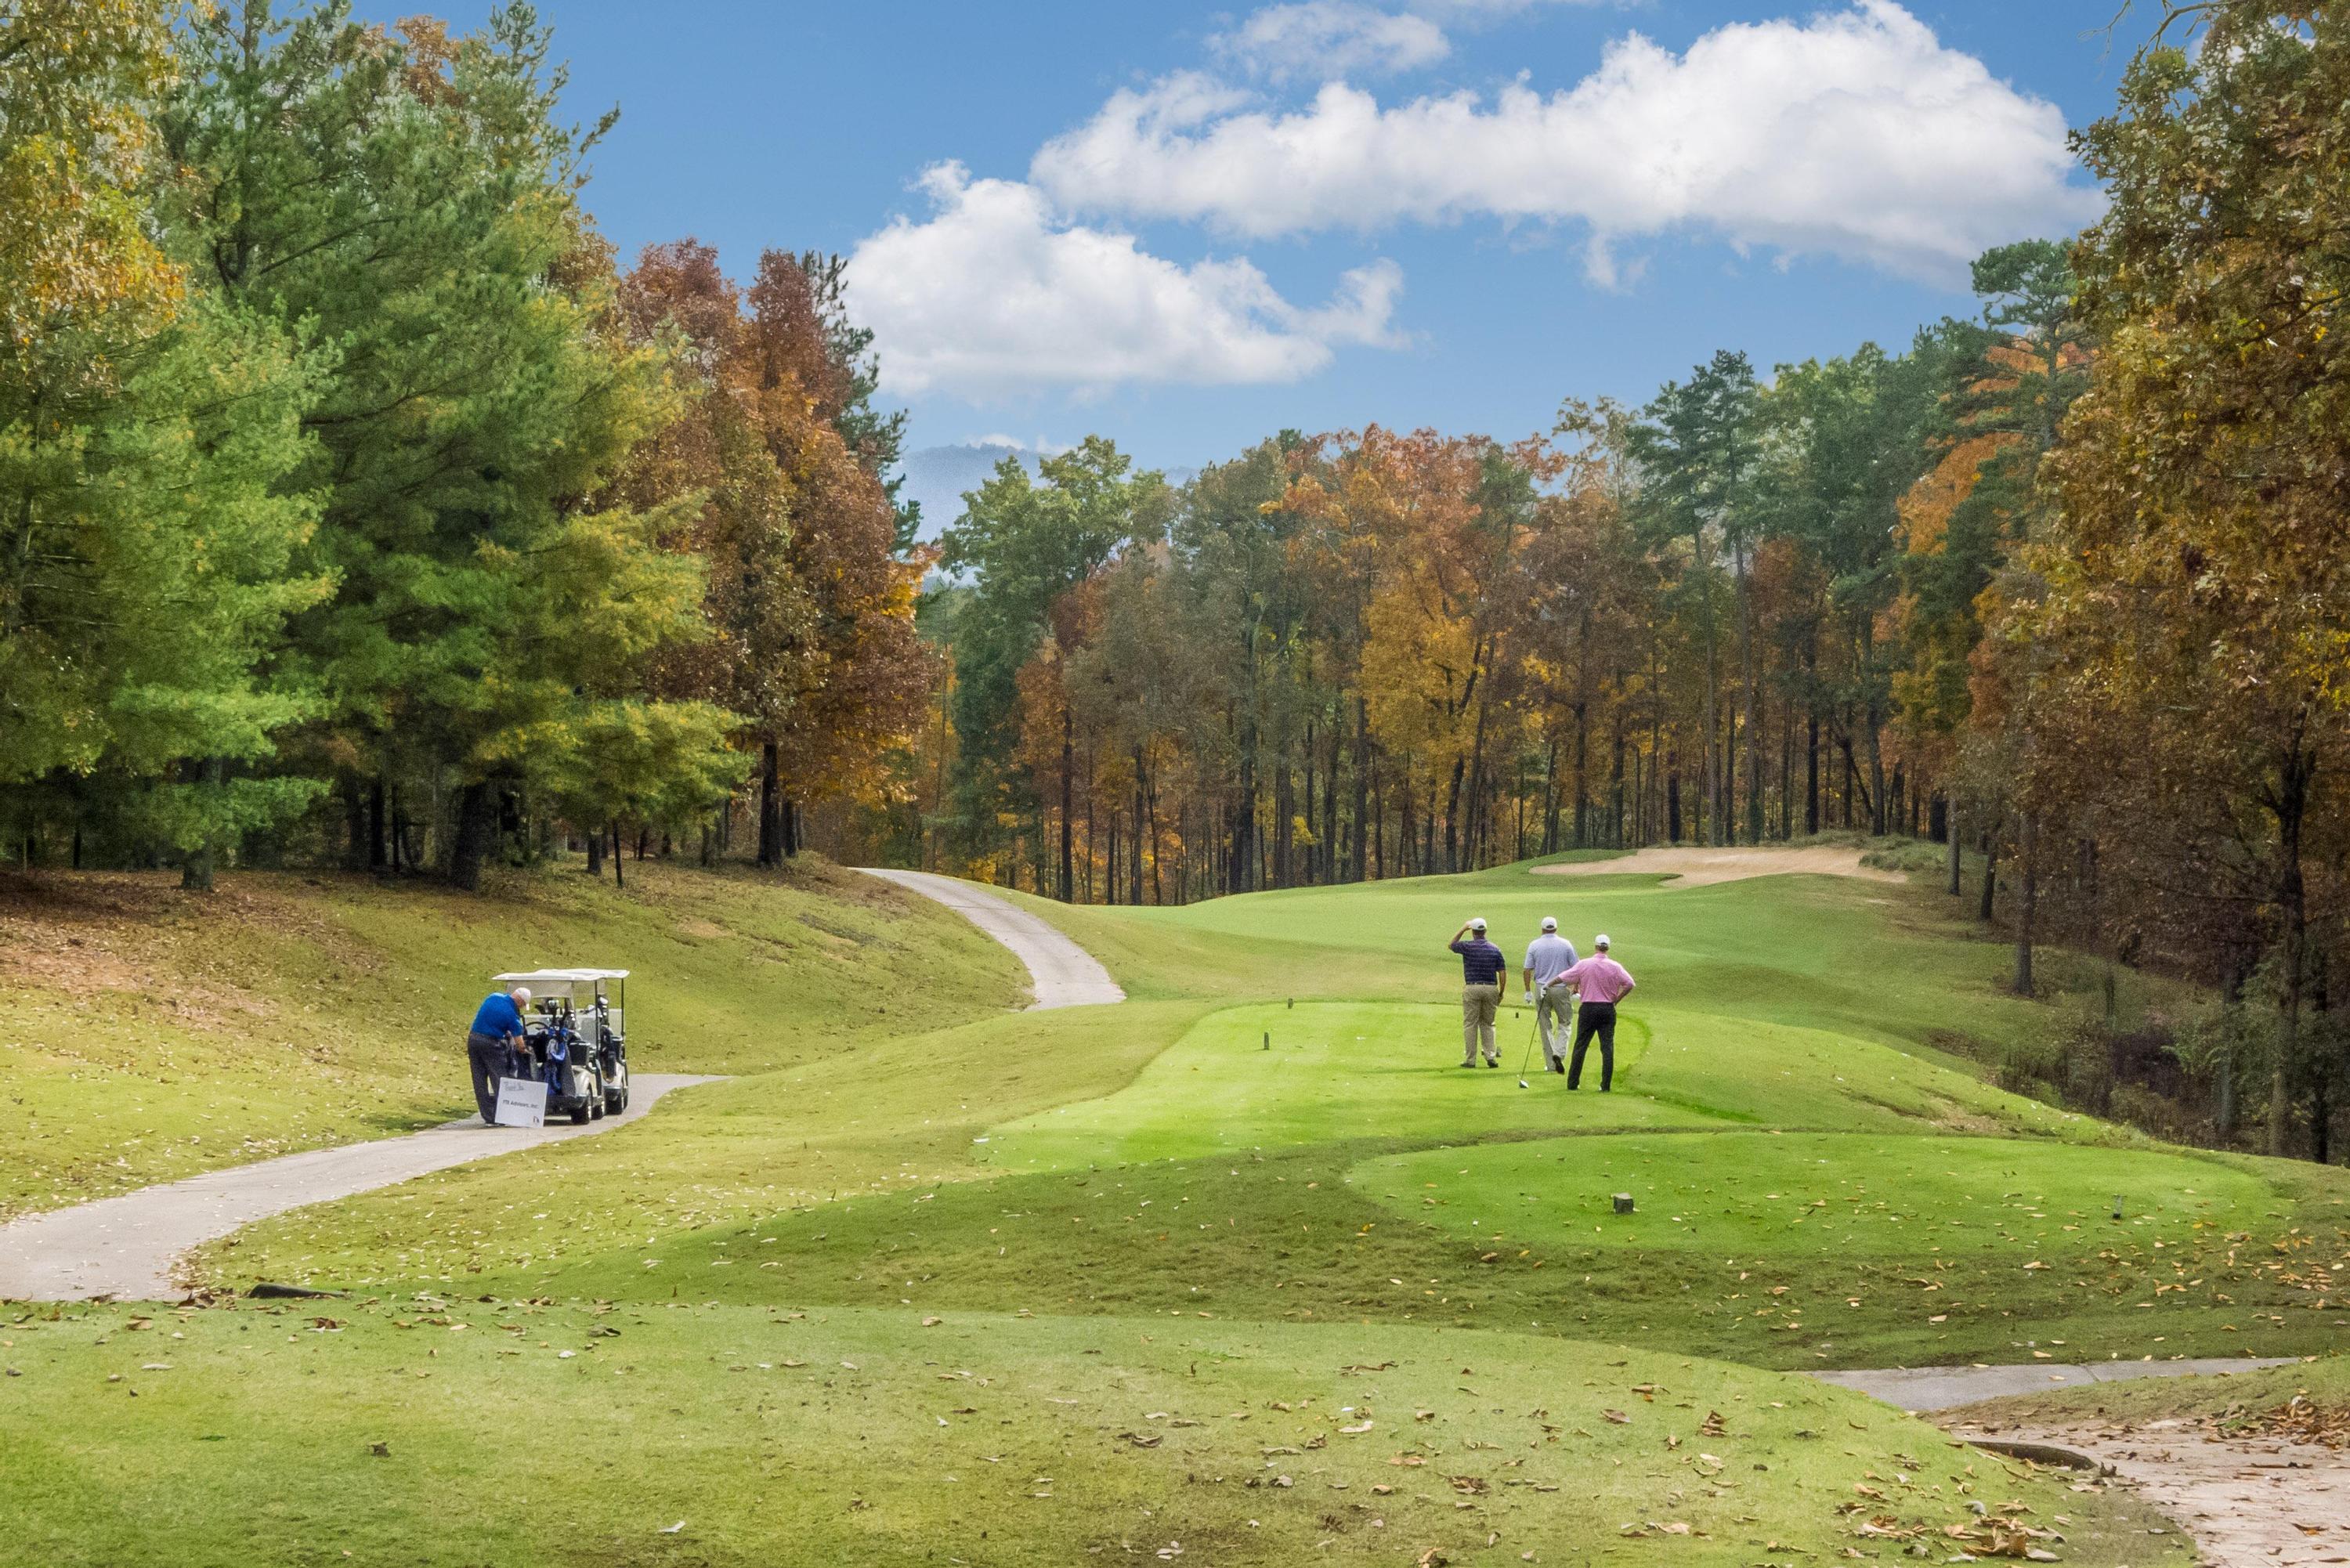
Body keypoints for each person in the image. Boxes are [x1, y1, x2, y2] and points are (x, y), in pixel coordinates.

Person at [1559, 935, 1635, 1092]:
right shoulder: (1615, 966)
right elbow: (1629, 984)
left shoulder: (1585, 964)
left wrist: (1549, 983)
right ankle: (1605, 1085)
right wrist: (1617, 1000)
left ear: (1595, 947)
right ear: (1607, 948)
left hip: (1588, 1008)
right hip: (1607, 1009)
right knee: (1607, 1048)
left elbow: (1565, 976)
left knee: (1581, 1045)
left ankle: (1572, 1083)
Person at [1520, 916, 1580, 1074]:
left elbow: (1527, 970)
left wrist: (1527, 991)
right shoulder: (1566, 944)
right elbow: (1577, 969)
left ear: (1542, 929)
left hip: (1541, 988)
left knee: (1545, 1025)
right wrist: (1576, 988)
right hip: (1561, 988)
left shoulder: (1534, 945)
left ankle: (1551, 1065)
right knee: (1565, 1023)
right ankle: (1559, 1053)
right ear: (1556, 928)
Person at [466, 986, 532, 1125]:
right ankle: (504, 1115)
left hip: (473, 1039)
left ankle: (489, 1117)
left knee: (479, 1080)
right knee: (499, 1078)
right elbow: (519, 1044)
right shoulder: (512, 1015)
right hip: (491, 1044)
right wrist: (525, 1051)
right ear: (520, 1001)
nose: (521, 1007)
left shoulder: (493, 997)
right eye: (523, 1005)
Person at [1448, 916, 1507, 1068]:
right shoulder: (1495, 949)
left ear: (1473, 932)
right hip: (1490, 988)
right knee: (1488, 1023)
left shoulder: (1468, 947)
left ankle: (1470, 1060)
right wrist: (1501, 992)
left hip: (1472, 987)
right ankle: (1490, 1057)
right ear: (1485, 931)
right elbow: (1502, 972)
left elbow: (1451, 945)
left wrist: (1463, 928)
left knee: (1470, 1024)